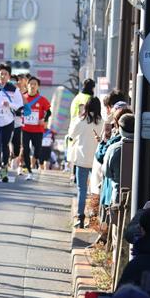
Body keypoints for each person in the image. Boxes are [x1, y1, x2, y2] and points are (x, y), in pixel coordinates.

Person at [66, 97, 103, 227]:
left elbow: (71, 136)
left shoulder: (80, 121)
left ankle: (80, 218)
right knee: (97, 189)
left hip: (81, 160)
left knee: (81, 189)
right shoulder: (102, 123)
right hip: (97, 161)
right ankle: (95, 217)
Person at [20, 76, 52, 180]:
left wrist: (44, 120)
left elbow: (49, 112)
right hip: (25, 129)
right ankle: (29, 170)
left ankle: (34, 162)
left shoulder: (42, 100)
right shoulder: (22, 98)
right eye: (31, 84)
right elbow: (17, 110)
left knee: (37, 151)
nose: (32, 86)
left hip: (38, 129)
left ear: (38, 86)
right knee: (25, 149)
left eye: (35, 84)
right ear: (27, 85)